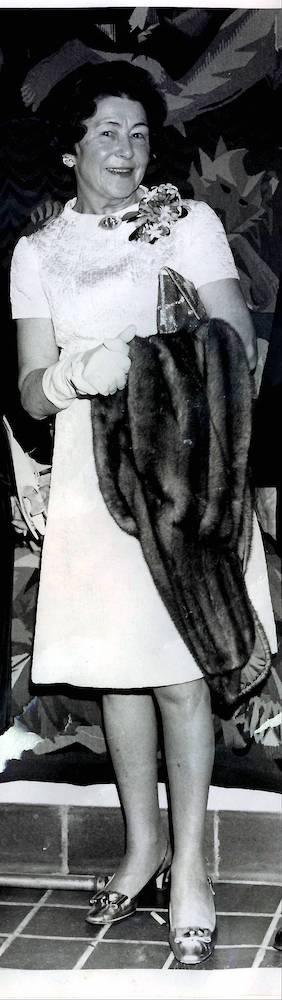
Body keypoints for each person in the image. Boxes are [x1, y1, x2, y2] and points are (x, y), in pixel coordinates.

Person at [10, 61, 277, 966]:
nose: (127, 150)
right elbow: (29, 393)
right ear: (72, 147)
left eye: (138, 133)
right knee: (118, 674)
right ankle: (143, 850)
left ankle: (193, 867)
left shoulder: (186, 222)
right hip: (92, 482)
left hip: (182, 473)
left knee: (177, 674)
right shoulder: (39, 255)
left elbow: (237, 342)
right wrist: (71, 374)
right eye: (106, 134)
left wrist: (172, 338)